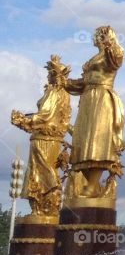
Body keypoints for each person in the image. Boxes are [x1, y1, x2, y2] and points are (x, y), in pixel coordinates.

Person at [64, 26, 125, 202]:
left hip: (102, 99)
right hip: (88, 100)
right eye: (98, 35)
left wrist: (110, 44)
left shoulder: (112, 52)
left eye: (100, 34)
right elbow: (83, 82)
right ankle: (93, 185)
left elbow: (118, 60)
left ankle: (92, 186)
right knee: (82, 141)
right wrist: (64, 83)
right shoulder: (94, 58)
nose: (96, 37)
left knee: (97, 142)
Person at [11, 54, 72, 219]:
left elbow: (45, 115)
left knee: (41, 172)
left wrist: (25, 120)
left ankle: (42, 210)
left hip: (44, 139)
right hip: (50, 138)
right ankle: (45, 209)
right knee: (44, 171)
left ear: (54, 75)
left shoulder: (54, 93)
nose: (48, 76)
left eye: (50, 73)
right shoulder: (63, 94)